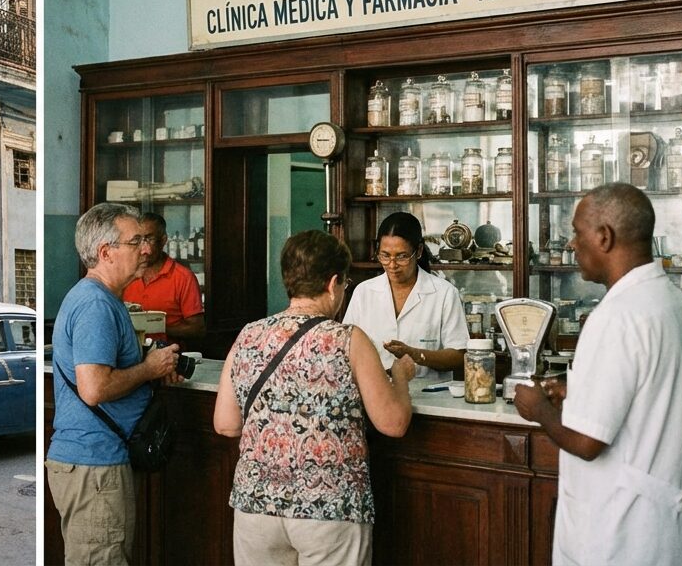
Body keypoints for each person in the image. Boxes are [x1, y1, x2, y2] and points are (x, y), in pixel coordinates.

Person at [514, 184, 682, 565]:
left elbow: (588, 443)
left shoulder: (617, 316)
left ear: (604, 236)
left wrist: (539, 409)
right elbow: (656, 388)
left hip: (624, 532)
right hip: (669, 524)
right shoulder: (677, 304)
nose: (571, 244)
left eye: (576, 232)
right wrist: (579, 389)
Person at [213, 230, 414, 566]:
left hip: (256, 505)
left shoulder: (249, 334)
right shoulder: (347, 339)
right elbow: (393, 423)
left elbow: (225, 424)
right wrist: (401, 377)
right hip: (328, 507)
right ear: (334, 282)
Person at [45, 202, 183, 565]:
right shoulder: (96, 305)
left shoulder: (103, 299)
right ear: (106, 252)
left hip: (95, 463)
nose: (146, 249)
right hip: (95, 466)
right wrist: (149, 369)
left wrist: (151, 367)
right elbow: (94, 388)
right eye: (135, 242)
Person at [342, 212, 468, 380]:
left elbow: (459, 355)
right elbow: (346, 347)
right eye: (385, 256)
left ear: (419, 251)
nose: (392, 265)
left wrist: (415, 354)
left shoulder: (444, 293)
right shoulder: (364, 292)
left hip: (430, 398)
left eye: (402, 256)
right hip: (377, 393)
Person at [122, 212, 205, 344]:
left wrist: (156, 327)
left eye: (149, 239)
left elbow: (197, 329)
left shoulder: (183, 277)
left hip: (169, 357)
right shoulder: (125, 274)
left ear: (163, 240)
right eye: (137, 240)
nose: (143, 247)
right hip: (129, 355)